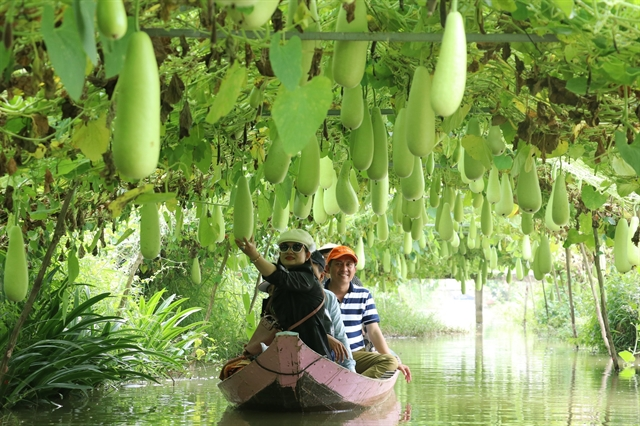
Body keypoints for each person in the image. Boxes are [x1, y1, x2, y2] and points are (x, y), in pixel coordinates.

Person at [236, 229, 331, 359]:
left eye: (297, 247)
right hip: (285, 354)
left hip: (312, 357)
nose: (289, 251)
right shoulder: (281, 284)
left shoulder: (307, 280)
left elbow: (279, 276)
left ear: (308, 255)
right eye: (284, 247)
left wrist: (254, 255)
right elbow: (280, 276)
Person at [256, 250, 356, 372]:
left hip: (323, 360)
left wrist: (350, 371)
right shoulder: (282, 296)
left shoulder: (327, 298)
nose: (302, 280)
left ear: (321, 277)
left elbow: (340, 336)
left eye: (308, 276)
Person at [324, 245, 412, 383]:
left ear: (354, 269)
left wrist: (394, 361)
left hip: (356, 354)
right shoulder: (318, 295)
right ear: (327, 269)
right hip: (325, 355)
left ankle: (353, 386)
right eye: (338, 264)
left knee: (390, 361)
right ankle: (354, 385)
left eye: (349, 265)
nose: (344, 269)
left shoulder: (363, 294)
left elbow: (374, 331)